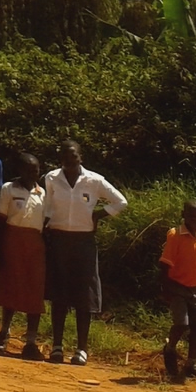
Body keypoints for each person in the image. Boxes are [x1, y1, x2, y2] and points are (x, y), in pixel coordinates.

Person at [42, 140, 127, 365]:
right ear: (60, 158)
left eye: (74, 156)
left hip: (83, 242)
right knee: (59, 295)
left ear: (80, 156)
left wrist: (99, 215)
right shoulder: (51, 178)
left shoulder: (94, 180)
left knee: (83, 296)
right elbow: (47, 208)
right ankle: (57, 346)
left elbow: (121, 202)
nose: (70, 160)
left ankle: (81, 349)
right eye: (65, 156)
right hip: (58, 240)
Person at [0, 151, 47, 358]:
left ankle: (30, 341)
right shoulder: (9, 189)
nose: (33, 173)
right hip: (12, 242)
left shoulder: (43, 194)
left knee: (34, 292)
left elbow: (46, 223)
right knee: (10, 289)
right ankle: (4, 332)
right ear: (20, 171)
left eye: (36, 170)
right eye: (29, 170)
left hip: (34, 246)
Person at [159, 201, 196, 381]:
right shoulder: (175, 235)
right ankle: (170, 349)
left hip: (195, 288)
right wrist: (166, 289)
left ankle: (191, 363)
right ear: (184, 215)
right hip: (177, 286)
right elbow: (164, 265)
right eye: (192, 215)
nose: (195, 219)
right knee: (182, 324)